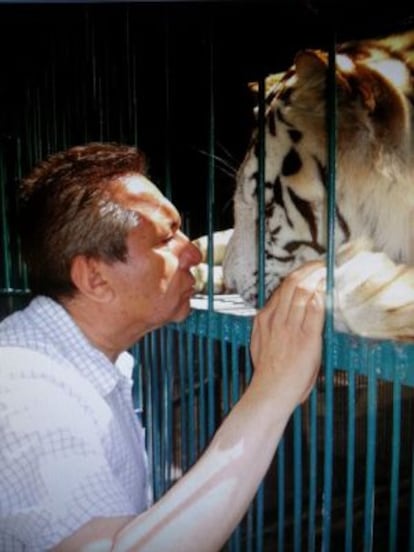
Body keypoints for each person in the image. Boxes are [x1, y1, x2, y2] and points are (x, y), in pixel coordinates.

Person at [0, 142, 325, 552]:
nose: (192, 251)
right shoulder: (26, 392)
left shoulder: (71, 364)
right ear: (96, 279)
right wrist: (272, 391)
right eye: (166, 237)